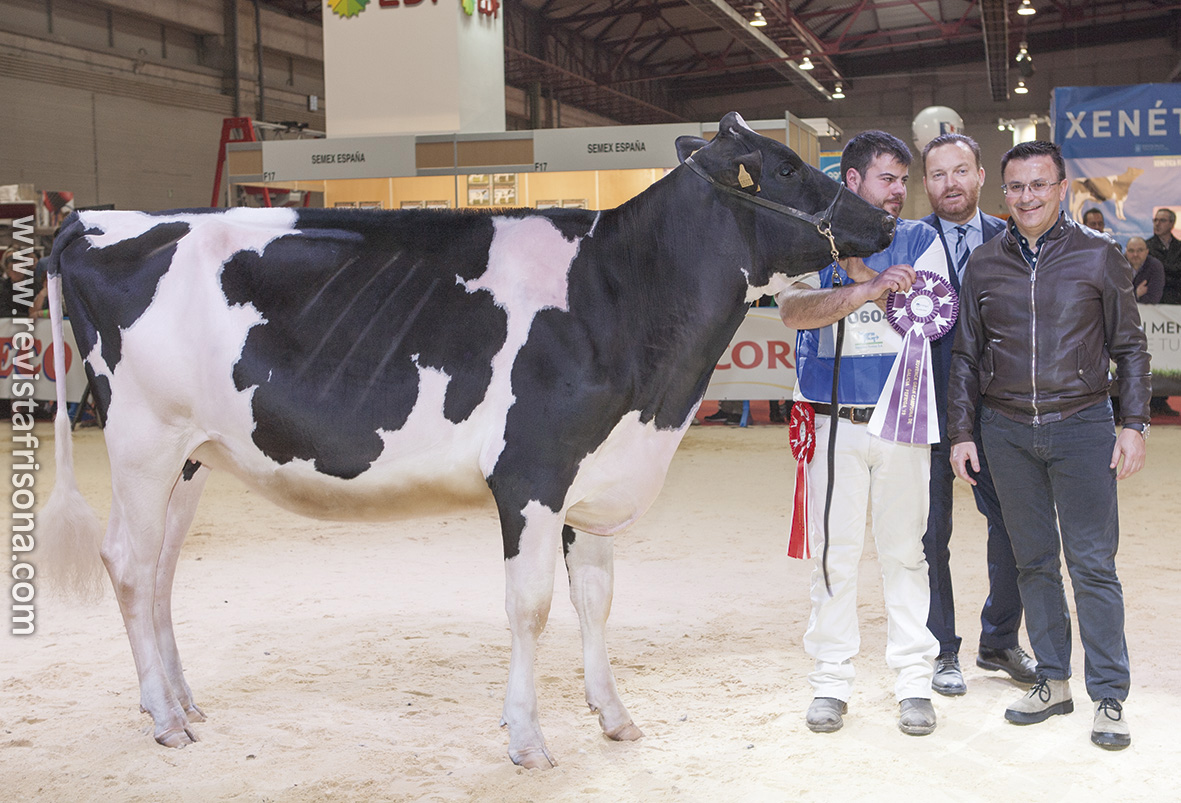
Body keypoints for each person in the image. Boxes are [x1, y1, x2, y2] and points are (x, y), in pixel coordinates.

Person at [948, 140, 1150, 751]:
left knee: (1092, 564)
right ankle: (1054, 681)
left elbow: (1131, 348)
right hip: (1005, 433)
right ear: (1001, 193)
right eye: (1016, 187)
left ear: (1062, 188)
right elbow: (964, 356)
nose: (1027, 196)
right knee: (1033, 562)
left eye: (1039, 184)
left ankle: (1109, 695)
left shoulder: (1100, 258)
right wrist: (962, 431)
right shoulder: (983, 264)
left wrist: (1133, 423)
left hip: (1083, 427)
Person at [778, 130, 939, 737]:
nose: (900, 191)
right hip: (827, 420)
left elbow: (930, 309)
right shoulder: (806, 239)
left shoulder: (922, 240)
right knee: (833, 557)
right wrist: (867, 287)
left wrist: (857, 281)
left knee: (904, 552)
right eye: (888, 179)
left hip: (902, 420)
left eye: (904, 180)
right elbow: (794, 310)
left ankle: (913, 682)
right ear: (852, 181)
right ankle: (831, 682)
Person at [919, 133, 1036, 697]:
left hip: (997, 415)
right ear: (927, 184)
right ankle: (942, 649)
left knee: (1012, 527)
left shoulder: (1014, 239)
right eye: (939, 174)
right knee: (929, 533)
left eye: (960, 170)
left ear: (981, 175)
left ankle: (999, 639)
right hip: (922, 414)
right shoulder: (908, 242)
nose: (951, 184)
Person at [1147, 208, 1181, 304]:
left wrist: (1160, 266)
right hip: (1154, 301)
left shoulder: (1179, 247)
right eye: (1155, 220)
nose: (1157, 224)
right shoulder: (1146, 247)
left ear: (1172, 223)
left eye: (1162, 220)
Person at [1125, 237, 1164, 304]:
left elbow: (1154, 298)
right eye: (1131, 251)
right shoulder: (1119, 265)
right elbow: (1114, 297)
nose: (1135, 254)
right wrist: (1136, 294)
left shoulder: (1155, 266)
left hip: (1147, 311)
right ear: (1126, 252)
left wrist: (1129, 296)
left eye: (1140, 250)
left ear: (1147, 252)